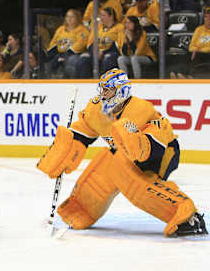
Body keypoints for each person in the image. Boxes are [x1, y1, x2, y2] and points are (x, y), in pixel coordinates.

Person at [37, 68, 208, 237]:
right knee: (107, 164)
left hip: (161, 153)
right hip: (126, 154)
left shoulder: (141, 110)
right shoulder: (96, 109)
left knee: (132, 179)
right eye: (102, 90)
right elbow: (82, 133)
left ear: (121, 91)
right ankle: (82, 209)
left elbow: (155, 145)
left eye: (108, 90)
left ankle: (189, 217)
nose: (103, 95)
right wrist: (66, 148)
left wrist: (136, 144)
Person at [76, 7, 123, 78]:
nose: (101, 17)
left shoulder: (119, 27)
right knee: (83, 60)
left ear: (111, 17)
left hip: (111, 52)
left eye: (103, 15)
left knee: (108, 59)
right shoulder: (98, 27)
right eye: (100, 15)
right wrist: (95, 52)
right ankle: (86, 83)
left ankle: (105, 84)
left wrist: (103, 52)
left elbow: (119, 44)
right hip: (96, 53)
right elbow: (91, 43)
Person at [46, 9, 89, 79]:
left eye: (72, 17)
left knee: (71, 62)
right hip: (60, 54)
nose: (69, 19)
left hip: (75, 54)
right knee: (50, 63)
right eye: (67, 17)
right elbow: (54, 42)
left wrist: (66, 54)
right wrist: (50, 53)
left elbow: (81, 44)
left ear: (77, 18)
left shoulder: (82, 30)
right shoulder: (61, 29)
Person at [188, 6, 210, 78]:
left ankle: (190, 77)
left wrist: (199, 50)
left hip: (207, 57)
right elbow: (191, 47)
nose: (208, 19)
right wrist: (196, 50)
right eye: (206, 17)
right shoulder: (199, 29)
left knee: (198, 55)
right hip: (197, 56)